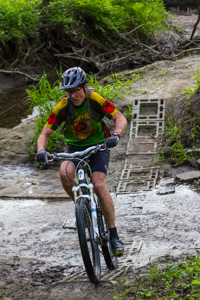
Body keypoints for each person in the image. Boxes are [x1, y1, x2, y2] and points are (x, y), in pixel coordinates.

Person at [35, 67, 127, 256]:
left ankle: (114, 234)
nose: (73, 95)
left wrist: (116, 135)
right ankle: (82, 208)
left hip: (98, 147)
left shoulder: (95, 99)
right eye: (69, 92)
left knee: (99, 185)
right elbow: (44, 133)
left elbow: (120, 118)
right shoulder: (62, 106)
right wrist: (41, 150)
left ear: (85, 87)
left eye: (76, 90)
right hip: (74, 149)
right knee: (64, 174)